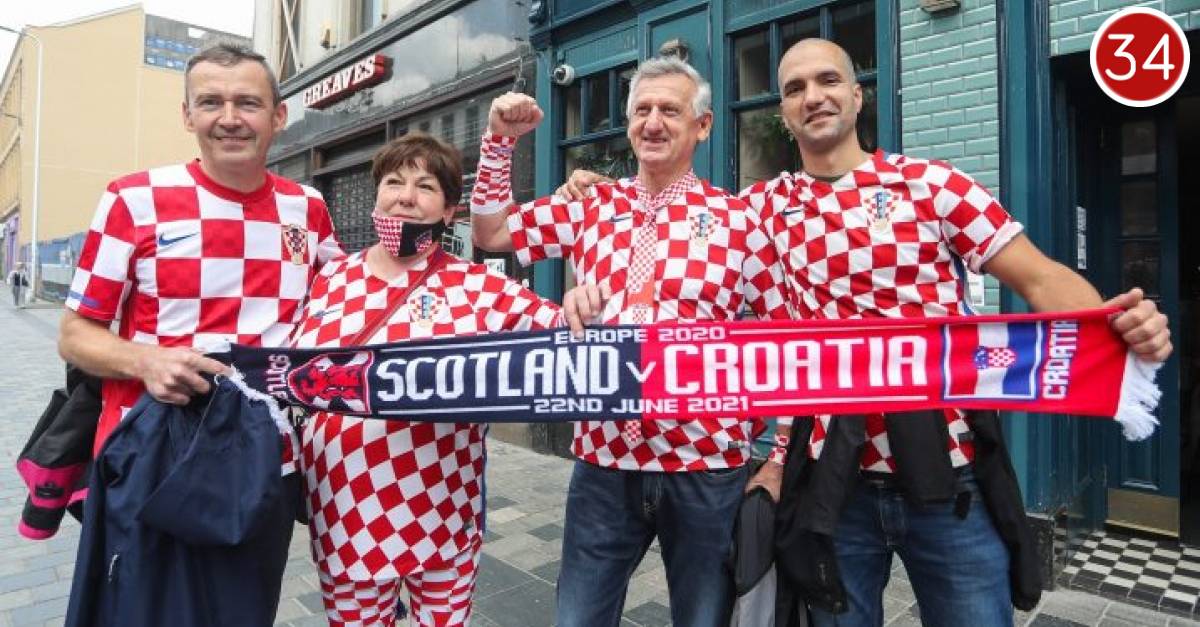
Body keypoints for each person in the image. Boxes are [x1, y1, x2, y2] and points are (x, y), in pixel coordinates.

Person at [559, 39, 1172, 627]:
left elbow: (1039, 278)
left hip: (946, 473)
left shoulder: (932, 185)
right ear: (784, 114)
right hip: (834, 482)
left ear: (857, 96)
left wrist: (1114, 328)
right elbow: (673, 209)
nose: (813, 96)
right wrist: (598, 193)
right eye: (795, 88)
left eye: (828, 80)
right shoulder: (761, 209)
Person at [469, 56, 794, 627]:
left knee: (703, 620)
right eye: (642, 109)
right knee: (578, 619)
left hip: (706, 463)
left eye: (670, 110)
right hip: (604, 463)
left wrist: (778, 459)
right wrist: (499, 143)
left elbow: (784, 338)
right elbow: (491, 232)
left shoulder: (739, 221)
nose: (653, 122)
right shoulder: (589, 205)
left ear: (703, 125)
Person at [58, 43, 342, 619]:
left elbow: (347, 303)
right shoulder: (133, 199)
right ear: (188, 115)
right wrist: (147, 361)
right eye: (211, 102)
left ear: (278, 116)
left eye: (248, 103)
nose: (229, 118)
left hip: (265, 463)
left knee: (244, 613)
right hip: (154, 460)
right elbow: (74, 333)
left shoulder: (308, 207)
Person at [291, 133, 564, 626]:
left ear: (448, 211)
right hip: (345, 511)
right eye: (394, 182)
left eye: (425, 186)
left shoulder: (477, 285)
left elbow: (564, 332)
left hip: (443, 509)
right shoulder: (331, 279)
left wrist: (586, 298)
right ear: (377, 194)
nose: (406, 197)